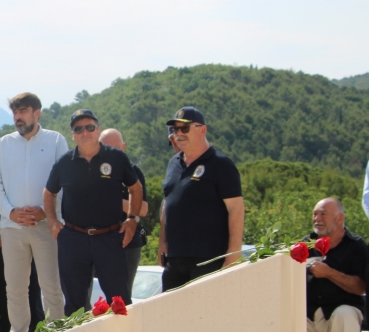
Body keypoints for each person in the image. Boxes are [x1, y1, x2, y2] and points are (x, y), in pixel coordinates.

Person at [43, 109, 143, 316]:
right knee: (74, 305)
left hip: (110, 237)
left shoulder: (116, 158)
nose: (84, 132)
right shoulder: (64, 163)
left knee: (120, 302)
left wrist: (132, 219)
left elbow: (135, 187)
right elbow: (49, 192)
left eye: (89, 127)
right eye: (78, 129)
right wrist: (53, 222)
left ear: (98, 130)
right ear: (73, 134)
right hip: (73, 239)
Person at [0, 92, 67, 332]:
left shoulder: (56, 141)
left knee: (51, 287)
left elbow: (64, 183)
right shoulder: (4, 144)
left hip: (46, 226)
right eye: (15, 113)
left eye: (22, 111)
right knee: (15, 289)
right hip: (12, 228)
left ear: (36, 113)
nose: (17, 117)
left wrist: (46, 212)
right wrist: (11, 212)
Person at [157, 106, 244, 291]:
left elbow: (236, 209)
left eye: (185, 128)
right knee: (170, 316)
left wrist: (233, 254)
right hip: (174, 259)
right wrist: (163, 242)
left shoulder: (220, 164)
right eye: (175, 129)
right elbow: (167, 203)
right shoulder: (174, 163)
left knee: (204, 316)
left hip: (208, 259)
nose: (179, 133)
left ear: (202, 130)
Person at [0, 145, 45, 332]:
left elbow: (23, 214)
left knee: (18, 295)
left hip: (14, 249)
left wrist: (3, 238)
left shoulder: (15, 187)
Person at [306, 198, 368, 332]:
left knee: (345, 315)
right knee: (279, 324)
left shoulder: (356, 246)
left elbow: (360, 287)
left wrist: (329, 273)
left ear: (339, 218)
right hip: (310, 316)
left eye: (323, 214)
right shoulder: (304, 245)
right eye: (315, 214)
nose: (317, 218)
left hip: (339, 315)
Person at [98, 129, 149, 301]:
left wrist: (114, 200)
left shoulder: (133, 172)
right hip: (96, 243)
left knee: (122, 301)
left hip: (128, 244)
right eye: (106, 148)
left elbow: (143, 210)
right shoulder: (89, 171)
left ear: (124, 147)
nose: (111, 153)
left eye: (116, 148)